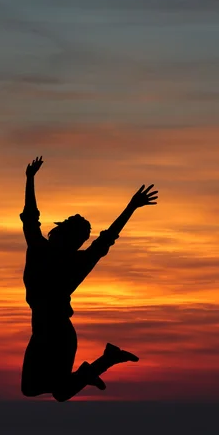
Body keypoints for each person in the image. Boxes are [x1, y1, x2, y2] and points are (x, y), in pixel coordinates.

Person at [20, 156, 158, 402]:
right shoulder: (42, 249)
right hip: (41, 330)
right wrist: (29, 179)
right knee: (35, 388)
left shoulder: (72, 261)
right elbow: (30, 217)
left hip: (58, 333)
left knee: (56, 391)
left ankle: (104, 362)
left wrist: (131, 207)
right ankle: (99, 365)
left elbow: (106, 239)